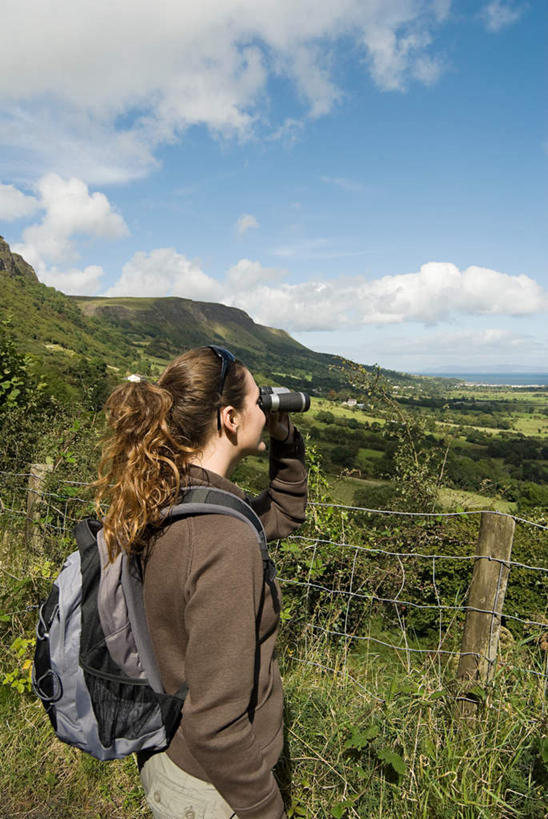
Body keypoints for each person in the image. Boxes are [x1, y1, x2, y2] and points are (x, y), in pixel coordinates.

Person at [95, 345, 307, 819]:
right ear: (230, 418)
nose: (265, 408)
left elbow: (284, 512)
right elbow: (217, 725)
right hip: (215, 789)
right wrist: (265, 808)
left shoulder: (169, 497)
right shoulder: (223, 540)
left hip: (170, 753)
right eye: (258, 402)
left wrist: (285, 439)